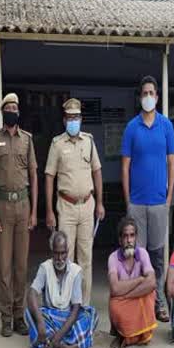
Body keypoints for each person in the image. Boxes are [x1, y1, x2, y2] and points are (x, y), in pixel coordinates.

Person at [121, 75, 174, 323]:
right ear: (139, 96)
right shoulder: (132, 127)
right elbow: (125, 167)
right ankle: (139, 303)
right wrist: (127, 201)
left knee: (156, 254)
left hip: (158, 203)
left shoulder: (166, 126)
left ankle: (159, 302)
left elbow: (172, 163)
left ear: (157, 96)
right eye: (144, 93)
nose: (148, 97)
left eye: (152, 92)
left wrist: (169, 197)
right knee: (135, 255)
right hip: (137, 202)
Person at [0, 92, 39, 337]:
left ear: (19, 112)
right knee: (5, 267)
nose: (11, 111)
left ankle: (19, 316)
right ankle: (5, 317)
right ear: (3, 112)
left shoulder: (27, 140)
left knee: (21, 267)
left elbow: (34, 176)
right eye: (7, 107)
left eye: (14, 107)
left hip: (23, 205)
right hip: (3, 206)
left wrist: (34, 212)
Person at [45, 98, 105, 306]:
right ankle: (66, 304)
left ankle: (84, 306)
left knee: (85, 259)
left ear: (81, 119)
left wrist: (100, 203)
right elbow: (49, 176)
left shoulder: (88, 141)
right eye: (70, 117)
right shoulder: (57, 144)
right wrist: (50, 211)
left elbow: (97, 172)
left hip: (87, 205)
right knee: (65, 258)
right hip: (66, 207)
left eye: (76, 117)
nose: (73, 121)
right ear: (64, 120)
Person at [24, 230, 99, 348]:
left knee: (90, 315)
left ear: (67, 252)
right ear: (51, 252)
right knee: (29, 312)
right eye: (56, 253)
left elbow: (75, 310)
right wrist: (41, 322)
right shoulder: (45, 268)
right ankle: (67, 346)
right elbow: (31, 293)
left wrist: (56, 339)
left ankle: (54, 344)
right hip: (50, 316)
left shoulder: (76, 271)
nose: (59, 258)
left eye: (63, 253)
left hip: (69, 318)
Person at [107, 216, 158, 348]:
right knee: (114, 304)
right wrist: (140, 279)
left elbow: (152, 282)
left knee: (149, 295)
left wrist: (127, 295)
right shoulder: (113, 258)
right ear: (120, 239)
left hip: (130, 297)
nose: (129, 240)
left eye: (132, 235)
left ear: (136, 237)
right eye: (125, 236)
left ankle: (137, 336)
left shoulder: (142, 253)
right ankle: (124, 334)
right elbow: (115, 289)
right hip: (122, 301)